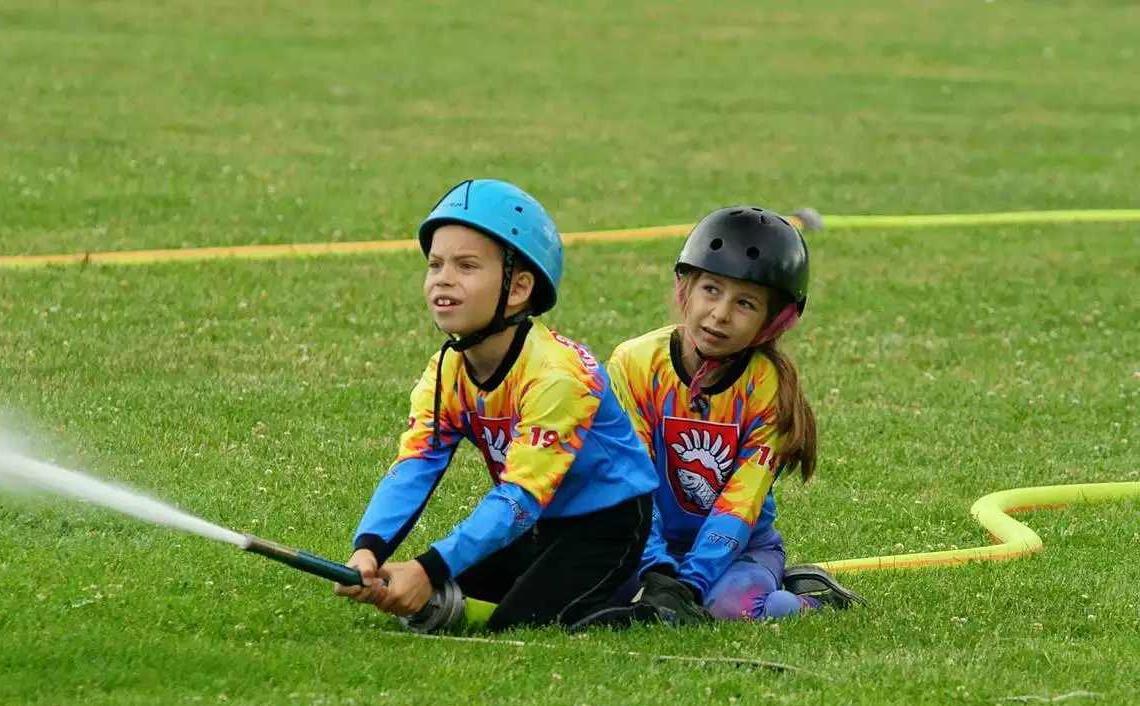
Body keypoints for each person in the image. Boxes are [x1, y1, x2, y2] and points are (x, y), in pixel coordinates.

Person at [335, 178, 659, 631]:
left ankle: (655, 603)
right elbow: (414, 465)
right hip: (539, 525)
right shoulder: (446, 369)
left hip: (606, 524)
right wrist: (369, 550)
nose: (443, 278)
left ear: (519, 286)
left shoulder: (558, 376)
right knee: (455, 598)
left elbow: (520, 498)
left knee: (516, 624)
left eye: (467, 265)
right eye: (435, 264)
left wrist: (428, 568)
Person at [577, 206, 864, 629]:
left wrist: (689, 585)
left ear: (773, 321)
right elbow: (630, 479)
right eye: (711, 289)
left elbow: (741, 503)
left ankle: (808, 598)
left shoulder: (766, 387)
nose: (721, 313)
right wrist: (659, 575)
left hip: (740, 550)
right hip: (642, 543)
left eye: (745, 303)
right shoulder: (634, 364)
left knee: (730, 609)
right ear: (685, 288)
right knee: (591, 598)